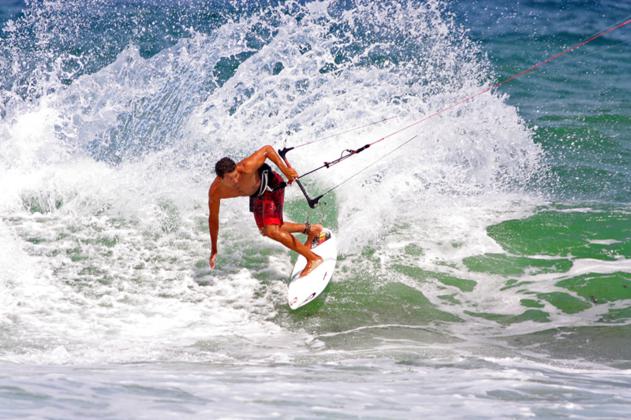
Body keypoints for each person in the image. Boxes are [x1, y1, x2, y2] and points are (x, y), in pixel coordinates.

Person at [208, 145, 325, 277]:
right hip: (257, 194)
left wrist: (286, 171)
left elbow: (267, 150)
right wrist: (214, 249)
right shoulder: (215, 192)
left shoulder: (247, 166)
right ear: (220, 179)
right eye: (230, 179)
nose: (236, 180)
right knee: (266, 230)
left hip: (271, 185)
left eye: (236, 175)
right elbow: (213, 219)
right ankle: (312, 230)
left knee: (272, 230)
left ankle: (313, 258)